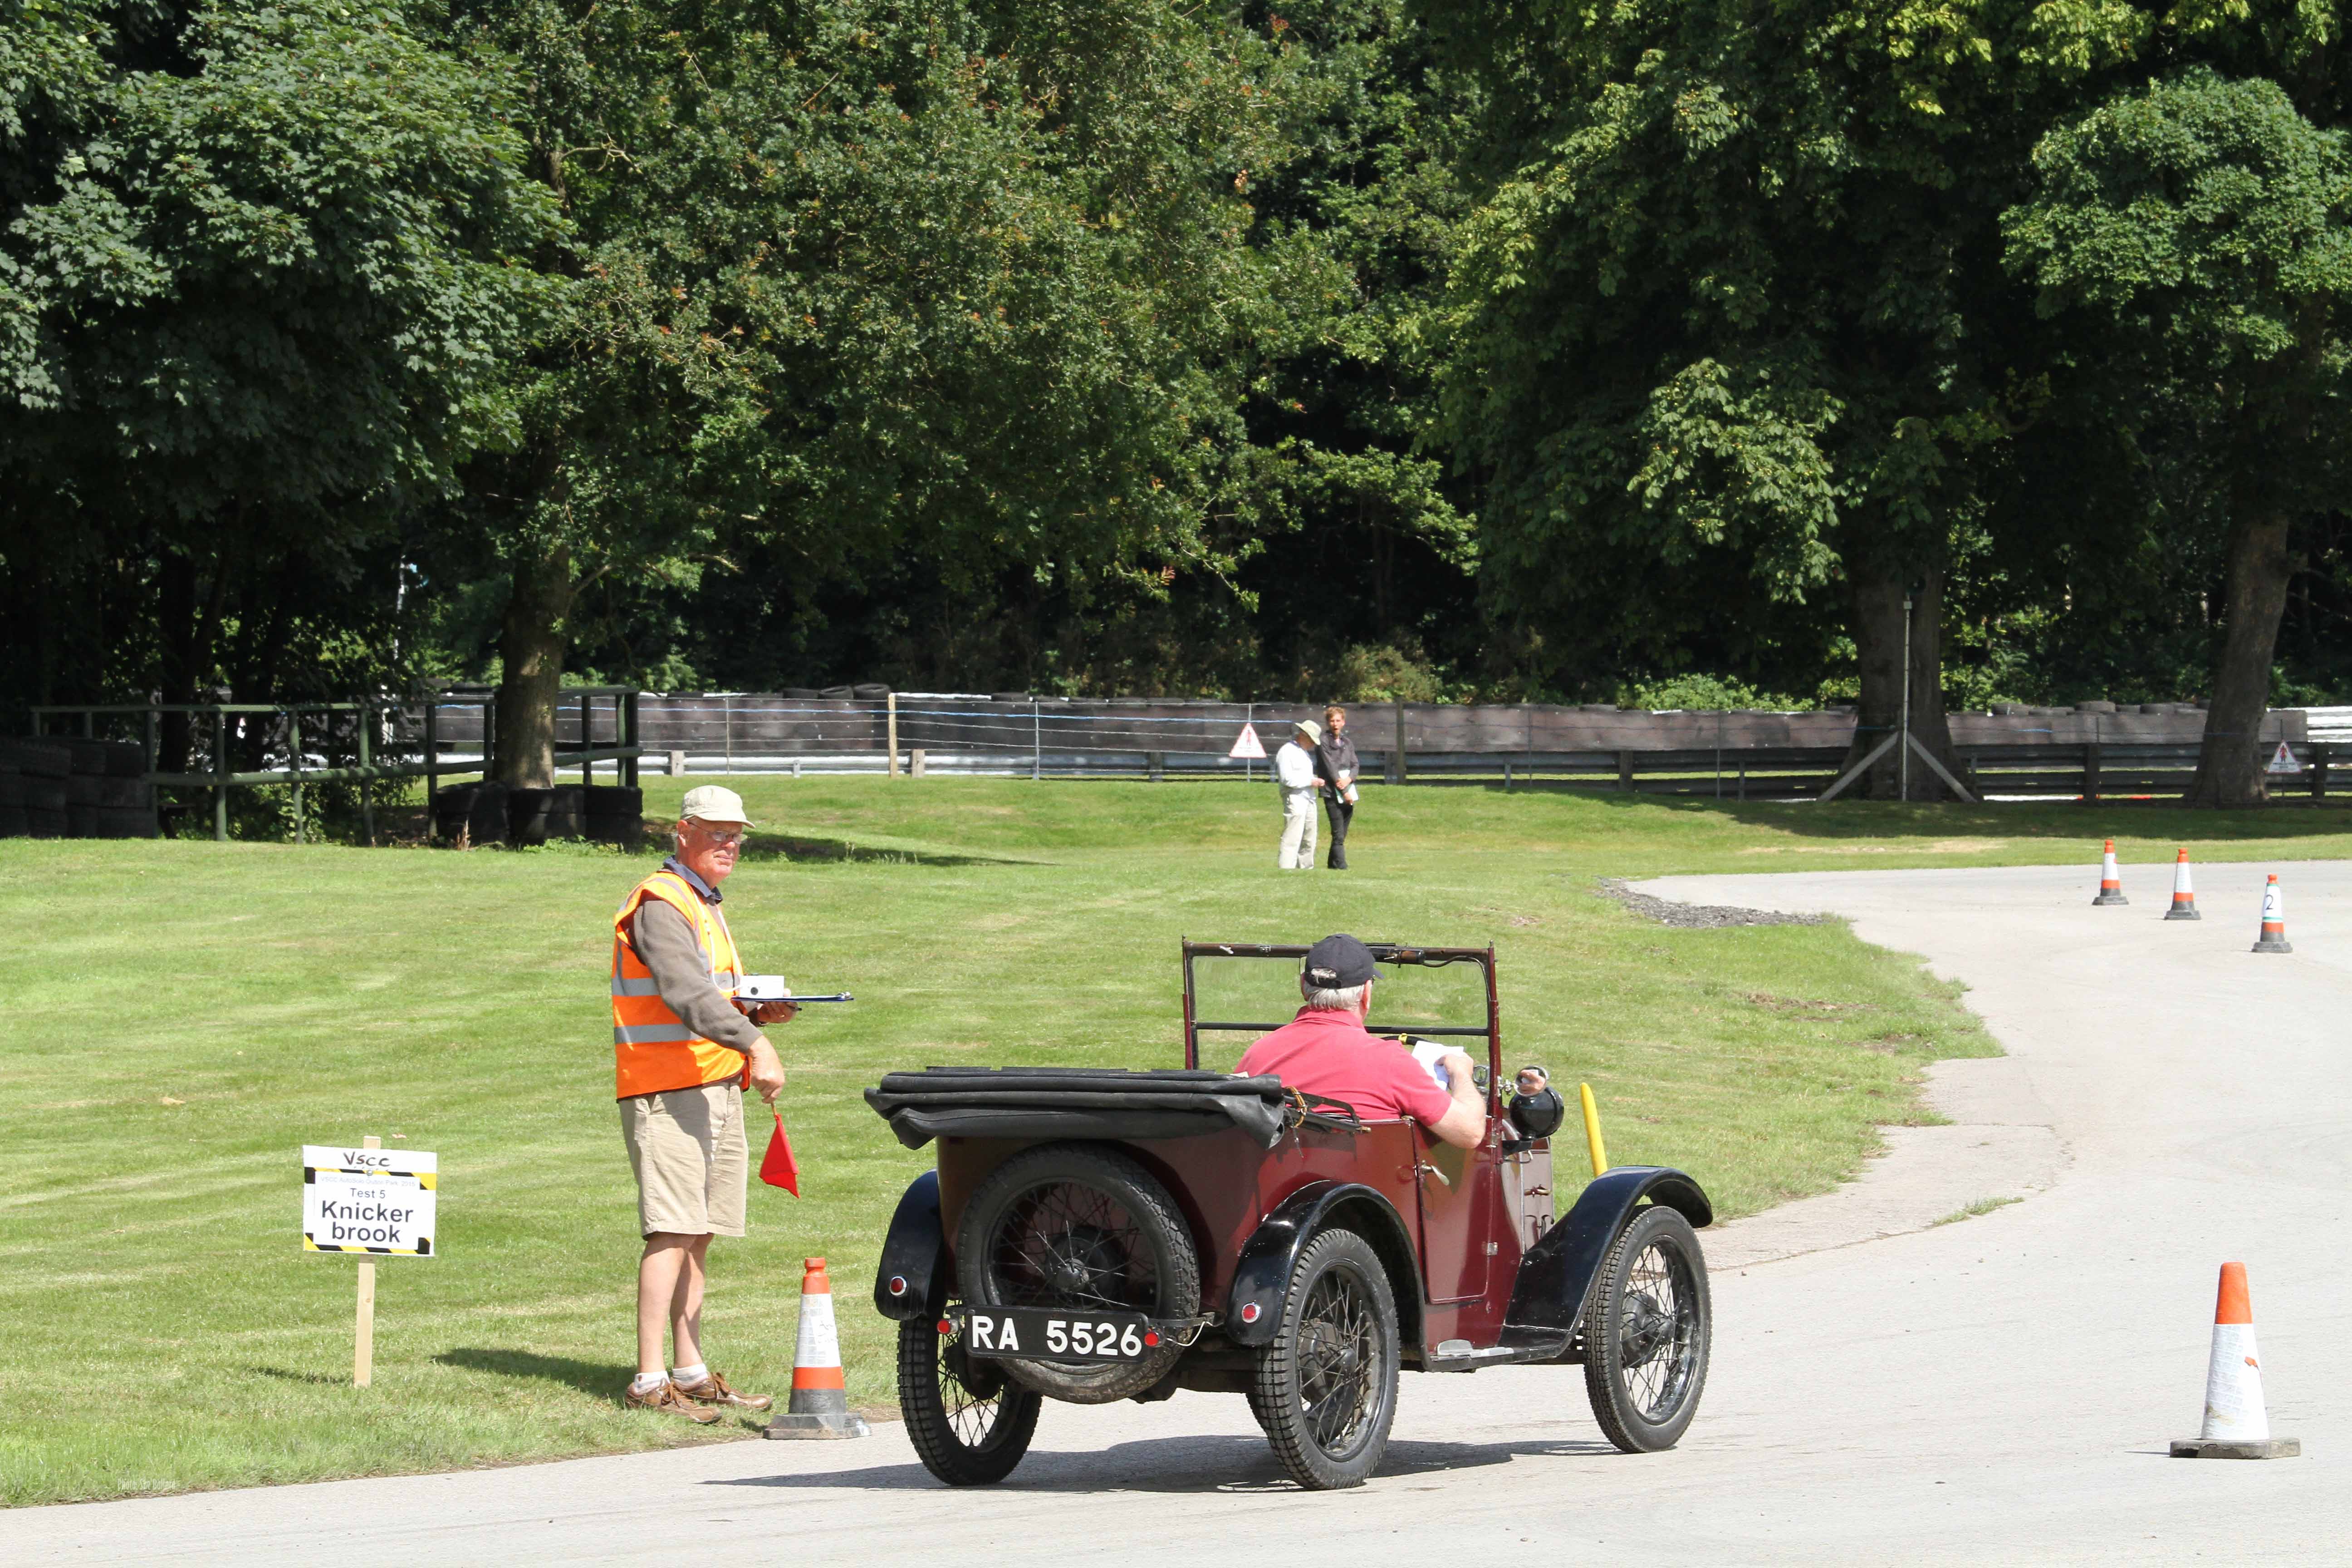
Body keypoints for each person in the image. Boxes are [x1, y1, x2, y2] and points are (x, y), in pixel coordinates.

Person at [609, 785, 799, 1421]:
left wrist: (752, 1011)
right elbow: (685, 992)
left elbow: (711, 996)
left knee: (700, 1233)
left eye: (737, 834)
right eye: (717, 832)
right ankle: (647, 1379)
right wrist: (757, 1041)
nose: (730, 844)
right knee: (671, 1230)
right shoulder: (662, 901)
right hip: (666, 1087)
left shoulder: (702, 902)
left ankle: (688, 1372)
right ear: (682, 831)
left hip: (714, 1082)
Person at [1235, 934, 1486, 1149]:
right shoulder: (1389, 1061)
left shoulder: (1258, 1054)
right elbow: (1470, 1133)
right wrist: (1461, 1073)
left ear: (1304, 986)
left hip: (1273, 1194)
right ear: (1367, 993)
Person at [1314, 705, 1360, 870]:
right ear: (1328, 723)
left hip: (1348, 790)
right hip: (1332, 793)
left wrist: (1349, 779)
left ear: (1343, 723)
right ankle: (1341, 866)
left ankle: (1333, 864)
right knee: (1338, 833)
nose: (1335, 724)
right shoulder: (1323, 742)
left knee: (1342, 834)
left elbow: (1355, 764)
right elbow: (1330, 768)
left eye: (1338, 721)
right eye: (1332, 721)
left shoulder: (1347, 742)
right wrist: (1344, 790)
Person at [1274, 718, 1322, 870]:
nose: (1313, 745)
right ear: (1303, 735)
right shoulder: (1287, 751)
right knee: (1293, 836)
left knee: (1310, 836)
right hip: (1294, 797)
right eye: (1312, 741)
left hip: (1309, 798)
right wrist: (1311, 781)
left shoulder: (1304, 753)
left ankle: (1306, 869)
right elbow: (1287, 779)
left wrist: (1313, 781)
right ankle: (1286, 869)